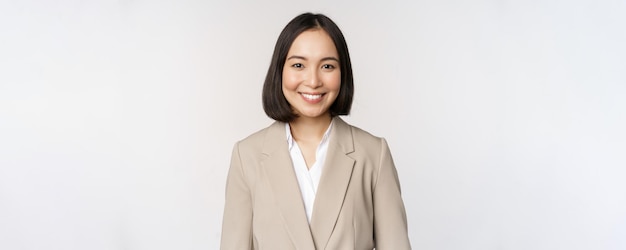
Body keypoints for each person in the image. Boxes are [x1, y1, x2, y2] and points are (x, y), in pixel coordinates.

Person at [221, 13, 411, 250]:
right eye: (298, 65)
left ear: (343, 73)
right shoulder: (246, 155)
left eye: (327, 66)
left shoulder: (373, 154)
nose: (313, 80)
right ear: (280, 70)